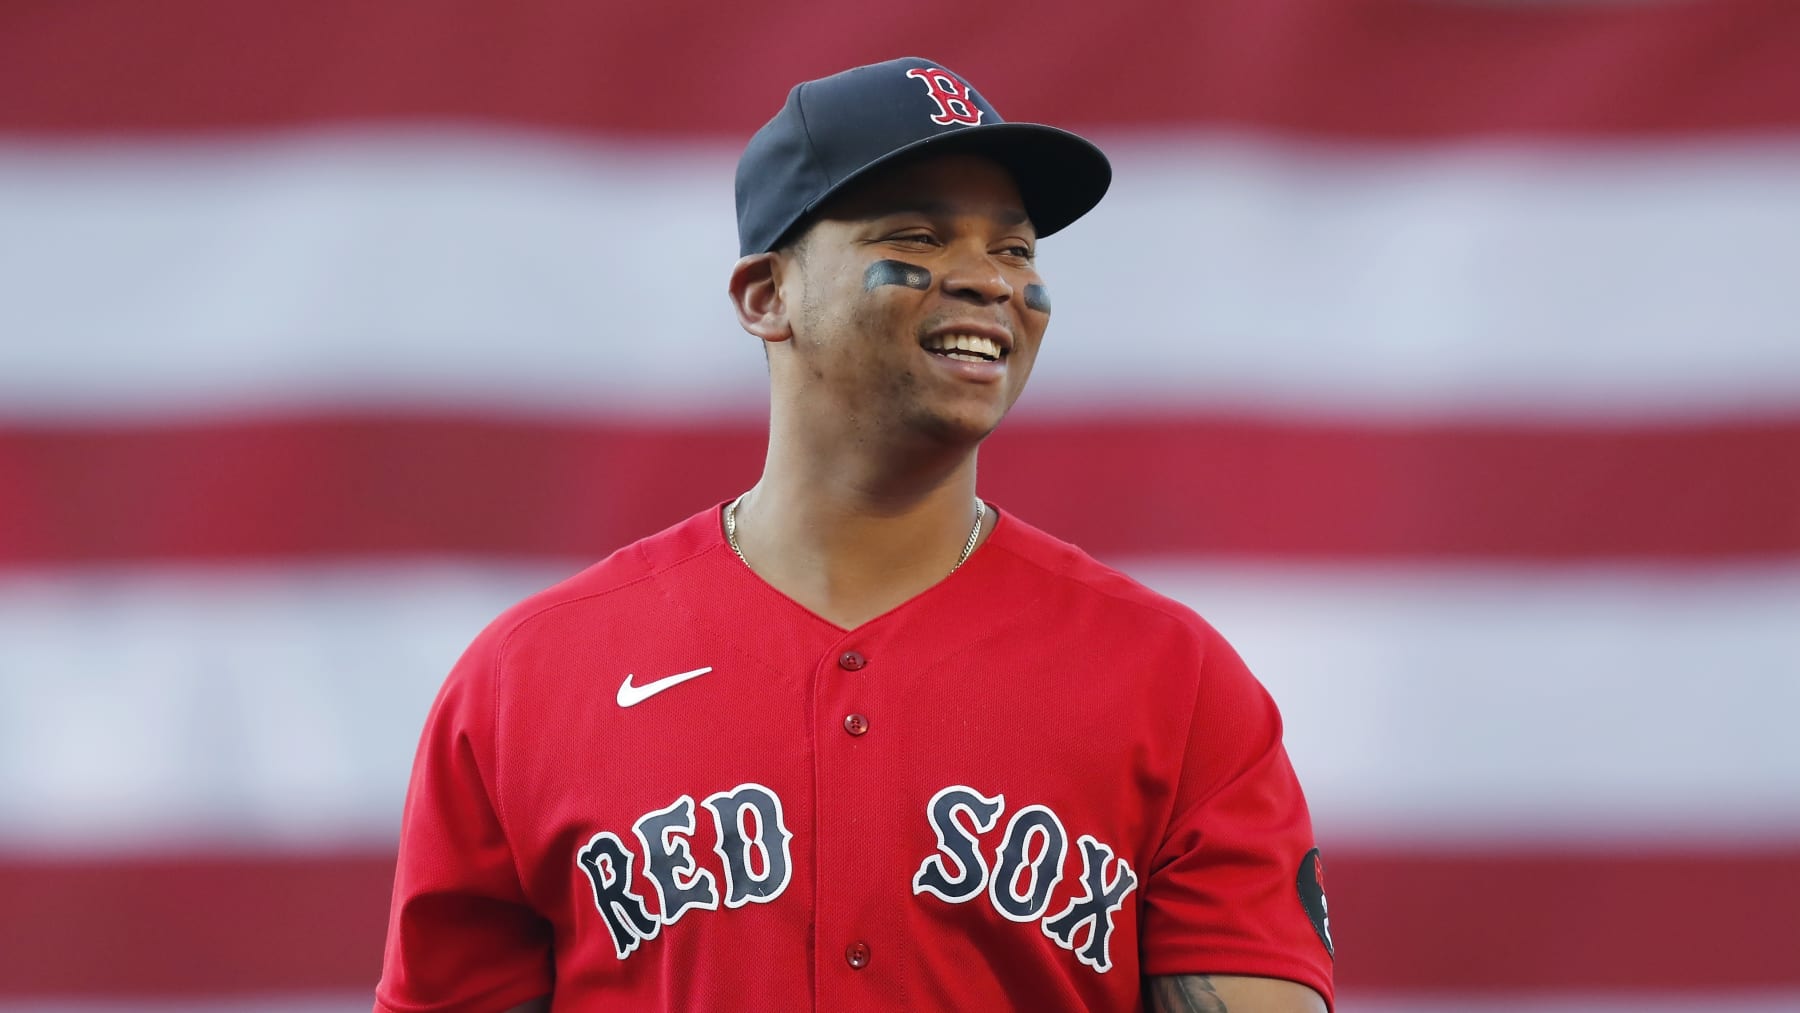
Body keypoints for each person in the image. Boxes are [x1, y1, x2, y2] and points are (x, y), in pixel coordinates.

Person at [375, 57, 1334, 1013]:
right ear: (765, 296)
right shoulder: (528, 679)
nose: (988, 281)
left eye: (1015, 249)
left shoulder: (1179, 682)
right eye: (918, 234)